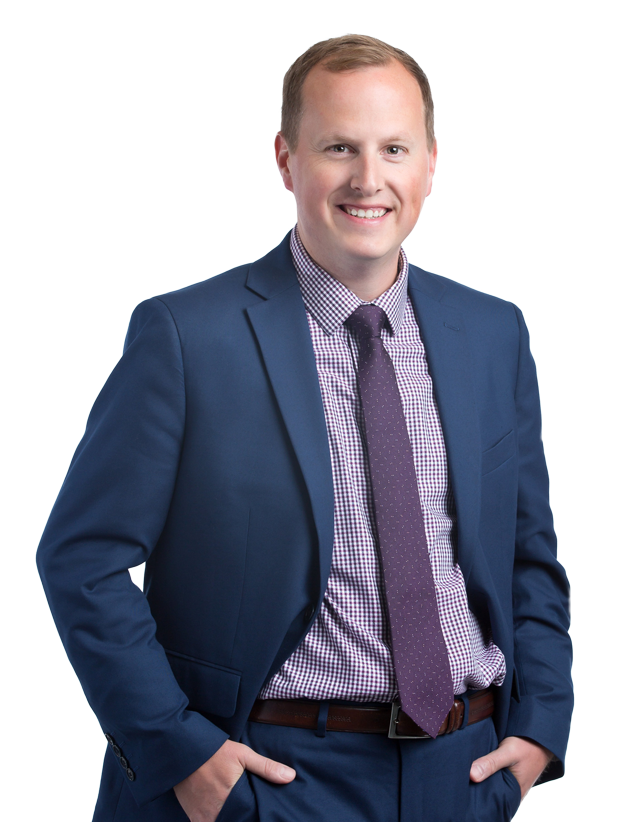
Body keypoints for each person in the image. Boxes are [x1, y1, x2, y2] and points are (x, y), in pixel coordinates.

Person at [36, 34, 573, 822]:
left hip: (462, 773)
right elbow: (82, 558)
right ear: (287, 161)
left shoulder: (493, 334)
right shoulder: (188, 339)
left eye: (394, 148)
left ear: (430, 164)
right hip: (270, 776)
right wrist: (182, 752)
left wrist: (539, 727)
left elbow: (528, 555)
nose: (369, 178)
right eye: (338, 147)